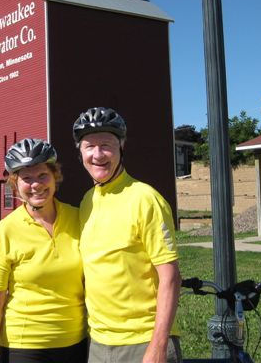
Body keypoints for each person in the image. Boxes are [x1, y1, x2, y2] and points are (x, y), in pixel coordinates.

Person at [73, 107, 182, 363]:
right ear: (80, 152)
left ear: (121, 147)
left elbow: (171, 277)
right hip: (99, 343)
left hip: (143, 341)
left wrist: (158, 346)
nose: (97, 154)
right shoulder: (87, 201)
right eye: (89, 146)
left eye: (106, 145)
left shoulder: (145, 198)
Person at [0, 138, 88, 363]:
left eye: (42, 175)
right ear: (15, 183)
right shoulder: (4, 232)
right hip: (24, 347)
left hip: (76, 342)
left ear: (55, 176)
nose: (36, 185)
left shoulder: (78, 218)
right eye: (27, 179)